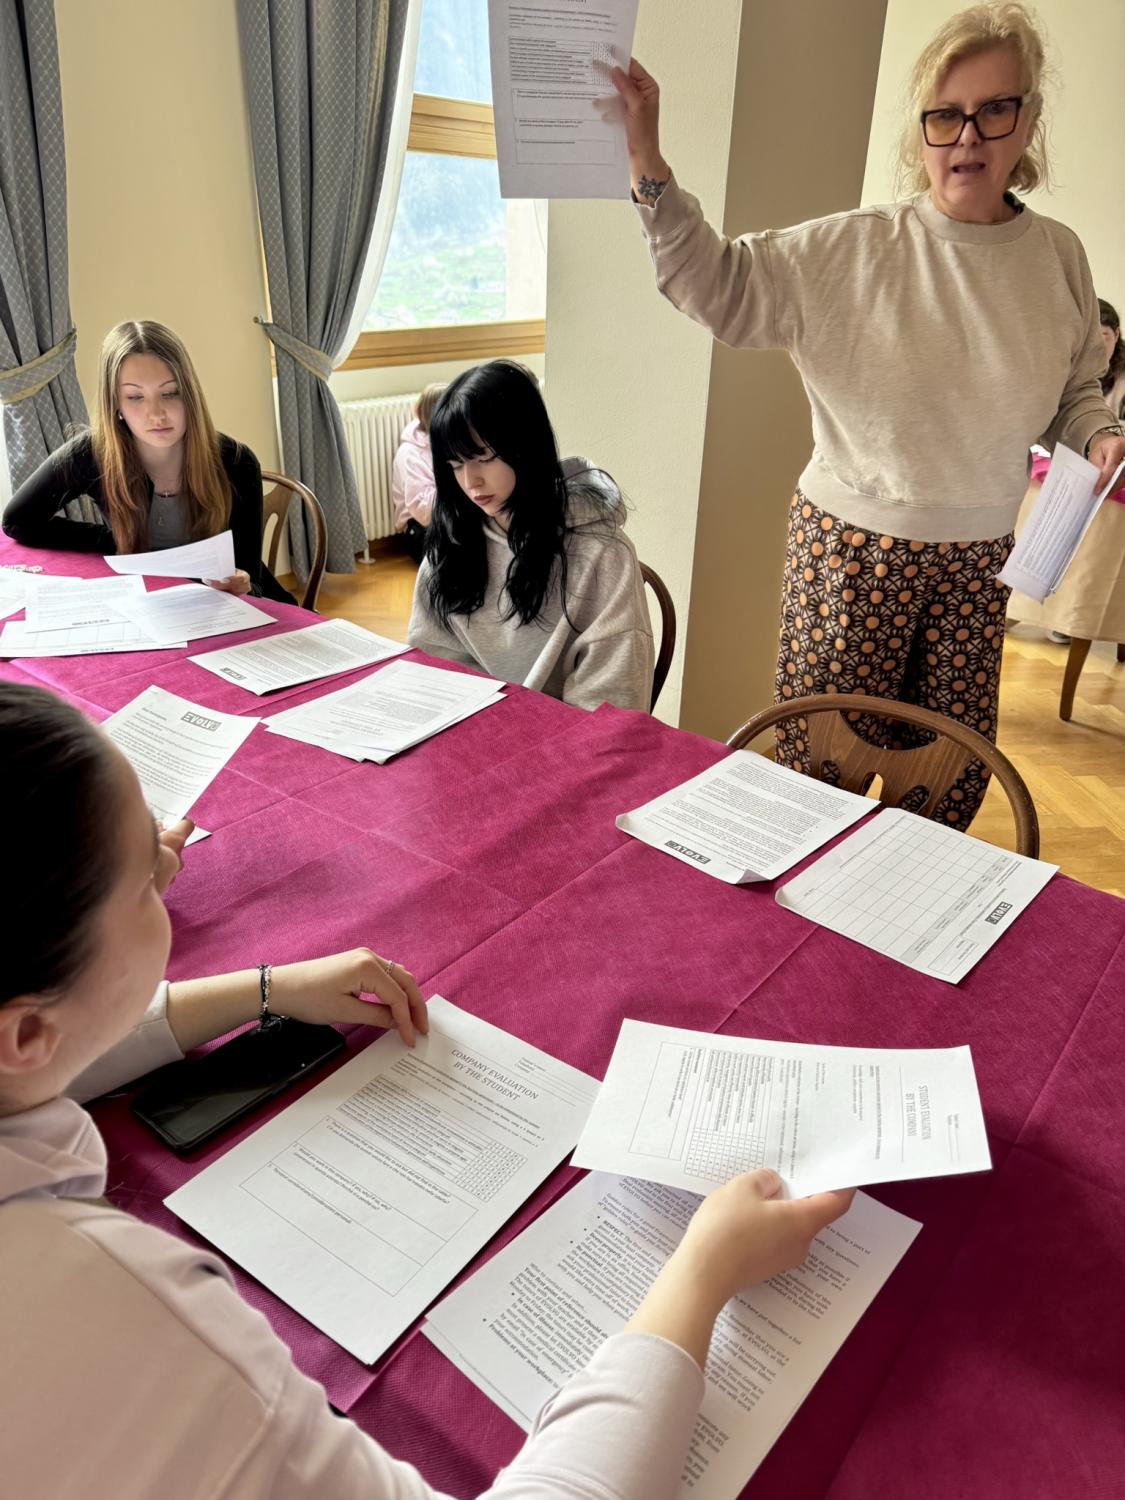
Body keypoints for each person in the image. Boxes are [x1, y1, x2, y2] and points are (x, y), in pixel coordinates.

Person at [0, 680, 852, 1498]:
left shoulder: (23, 1048)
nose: (171, 862)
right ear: (29, 1033)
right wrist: (699, 1278)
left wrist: (262, 988)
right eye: (145, 880)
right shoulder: (119, 1311)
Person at [612, 2, 1125, 828]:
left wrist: (1097, 432)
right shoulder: (855, 246)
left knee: (947, 780)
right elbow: (718, 287)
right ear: (920, 132)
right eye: (945, 116)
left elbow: (1074, 389)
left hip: (979, 562)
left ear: (1027, 121)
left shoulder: (1057, 255)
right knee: (819, 778)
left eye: (993, 110)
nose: (966, 138)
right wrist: (645, 154)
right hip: (853, 555)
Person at [407, 361, 655, 712]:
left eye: (484, 457)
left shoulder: (602, 553)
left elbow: (611, 701)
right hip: (468, 727)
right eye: (456, 465)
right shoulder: (453, 540)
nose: (470, 481)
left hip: (563, 738)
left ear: (525, 445)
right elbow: (431, 666)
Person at [3, 320, 295, 602]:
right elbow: (18, 522)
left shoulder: (236, 462)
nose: (156, 414)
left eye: (170, 393)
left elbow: (252, 580)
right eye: (135, 397)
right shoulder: (91, 453)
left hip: (225, 608)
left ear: (190, 395)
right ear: (115, 403)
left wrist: (241, 582)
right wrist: (114, 541)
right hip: (149, 601)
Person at [1015, 296, 1125, 648]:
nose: (1098, 347)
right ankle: (1022, 602)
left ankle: (1072, 614)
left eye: (1104, 338)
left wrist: (1103, 434)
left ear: (1116, 335)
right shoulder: (1064, 370)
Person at [391, 382, 443, 562]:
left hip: (444, 519)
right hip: (418, 530)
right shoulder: (411, 454)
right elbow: (423, 513)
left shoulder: (444, 441)